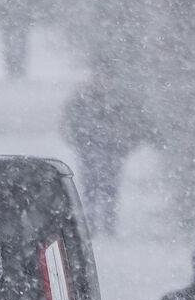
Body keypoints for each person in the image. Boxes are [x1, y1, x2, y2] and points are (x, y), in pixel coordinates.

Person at [60, 80, 150, 236]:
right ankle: (94, 222)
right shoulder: (86, 97)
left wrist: (127, 143)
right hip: (92, 147)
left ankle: (106, 222)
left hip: (110, 148)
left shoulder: (114, 99)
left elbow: (133, 123)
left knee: (108, 187)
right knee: (92, 186)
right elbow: (70, 121)